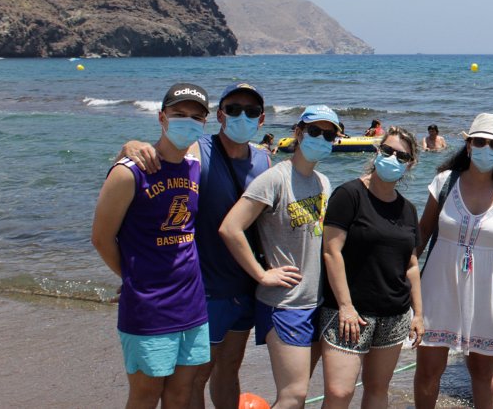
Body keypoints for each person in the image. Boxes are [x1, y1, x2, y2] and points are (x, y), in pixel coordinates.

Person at [119, 81, 271, 409]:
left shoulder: (263, 161)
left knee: (230, 368)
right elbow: (156, 161)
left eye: (251, 111)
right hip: (204, 290)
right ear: (219, 115)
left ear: (261, 120)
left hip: (244, 287)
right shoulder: (197, 151)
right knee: (195, 377)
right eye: (233, 109)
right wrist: (129, 146)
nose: (241, 116)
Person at [91, 82, 212, 409]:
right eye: (179, 114)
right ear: (161, 117)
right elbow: (101, 238)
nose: (187, 122)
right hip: (149, 307)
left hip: (192, 304)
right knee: (145, 396)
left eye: (196, 117)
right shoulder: (130, 173)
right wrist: (132, 277)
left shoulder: (195, 164)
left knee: (180, 394)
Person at [219, 105, 340, 409]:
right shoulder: (275, 179)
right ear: (298, 133)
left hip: (315, 302)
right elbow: (231, 228)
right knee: (293, 395)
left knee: (297, 393)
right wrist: (261, 274)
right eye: (314, 131)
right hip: (284, 303)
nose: (321, 138)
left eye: (329, 134)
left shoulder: (323, 182)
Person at [414, 113, 493, 409]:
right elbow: (423, 232)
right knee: (428, 370)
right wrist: (406, 277)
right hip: (438, 285)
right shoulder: (444, 182)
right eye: (480, 141)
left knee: (482, 371)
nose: (486, 148)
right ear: (468, 145)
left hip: (486, 288)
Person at [320, 126, 425, 409]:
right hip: (350, 314)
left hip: (394, 314)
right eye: (388, 151)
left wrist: (418, 314)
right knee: (340, 393)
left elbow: (411, 265)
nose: (393, 158)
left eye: (401, 156)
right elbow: (331, 252)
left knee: (378, 389)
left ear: (410, 164)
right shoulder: (349, 195)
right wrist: (345, 306)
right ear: (377, 151)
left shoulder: (408, 209)